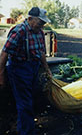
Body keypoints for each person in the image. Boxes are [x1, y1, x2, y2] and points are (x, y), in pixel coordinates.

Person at [0, 7, 52, 135]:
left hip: (33, 68)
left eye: (43, 23)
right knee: (25, 102)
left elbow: (41, 53)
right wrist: (1, 74)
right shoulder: (19, 31)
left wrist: (47, 69)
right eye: (40, 22)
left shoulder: (39, 32)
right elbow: (4, 53)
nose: (42, 25)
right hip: (19, 69)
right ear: (29, 19)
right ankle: (27, 131)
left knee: (29, 100)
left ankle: (24, 128)